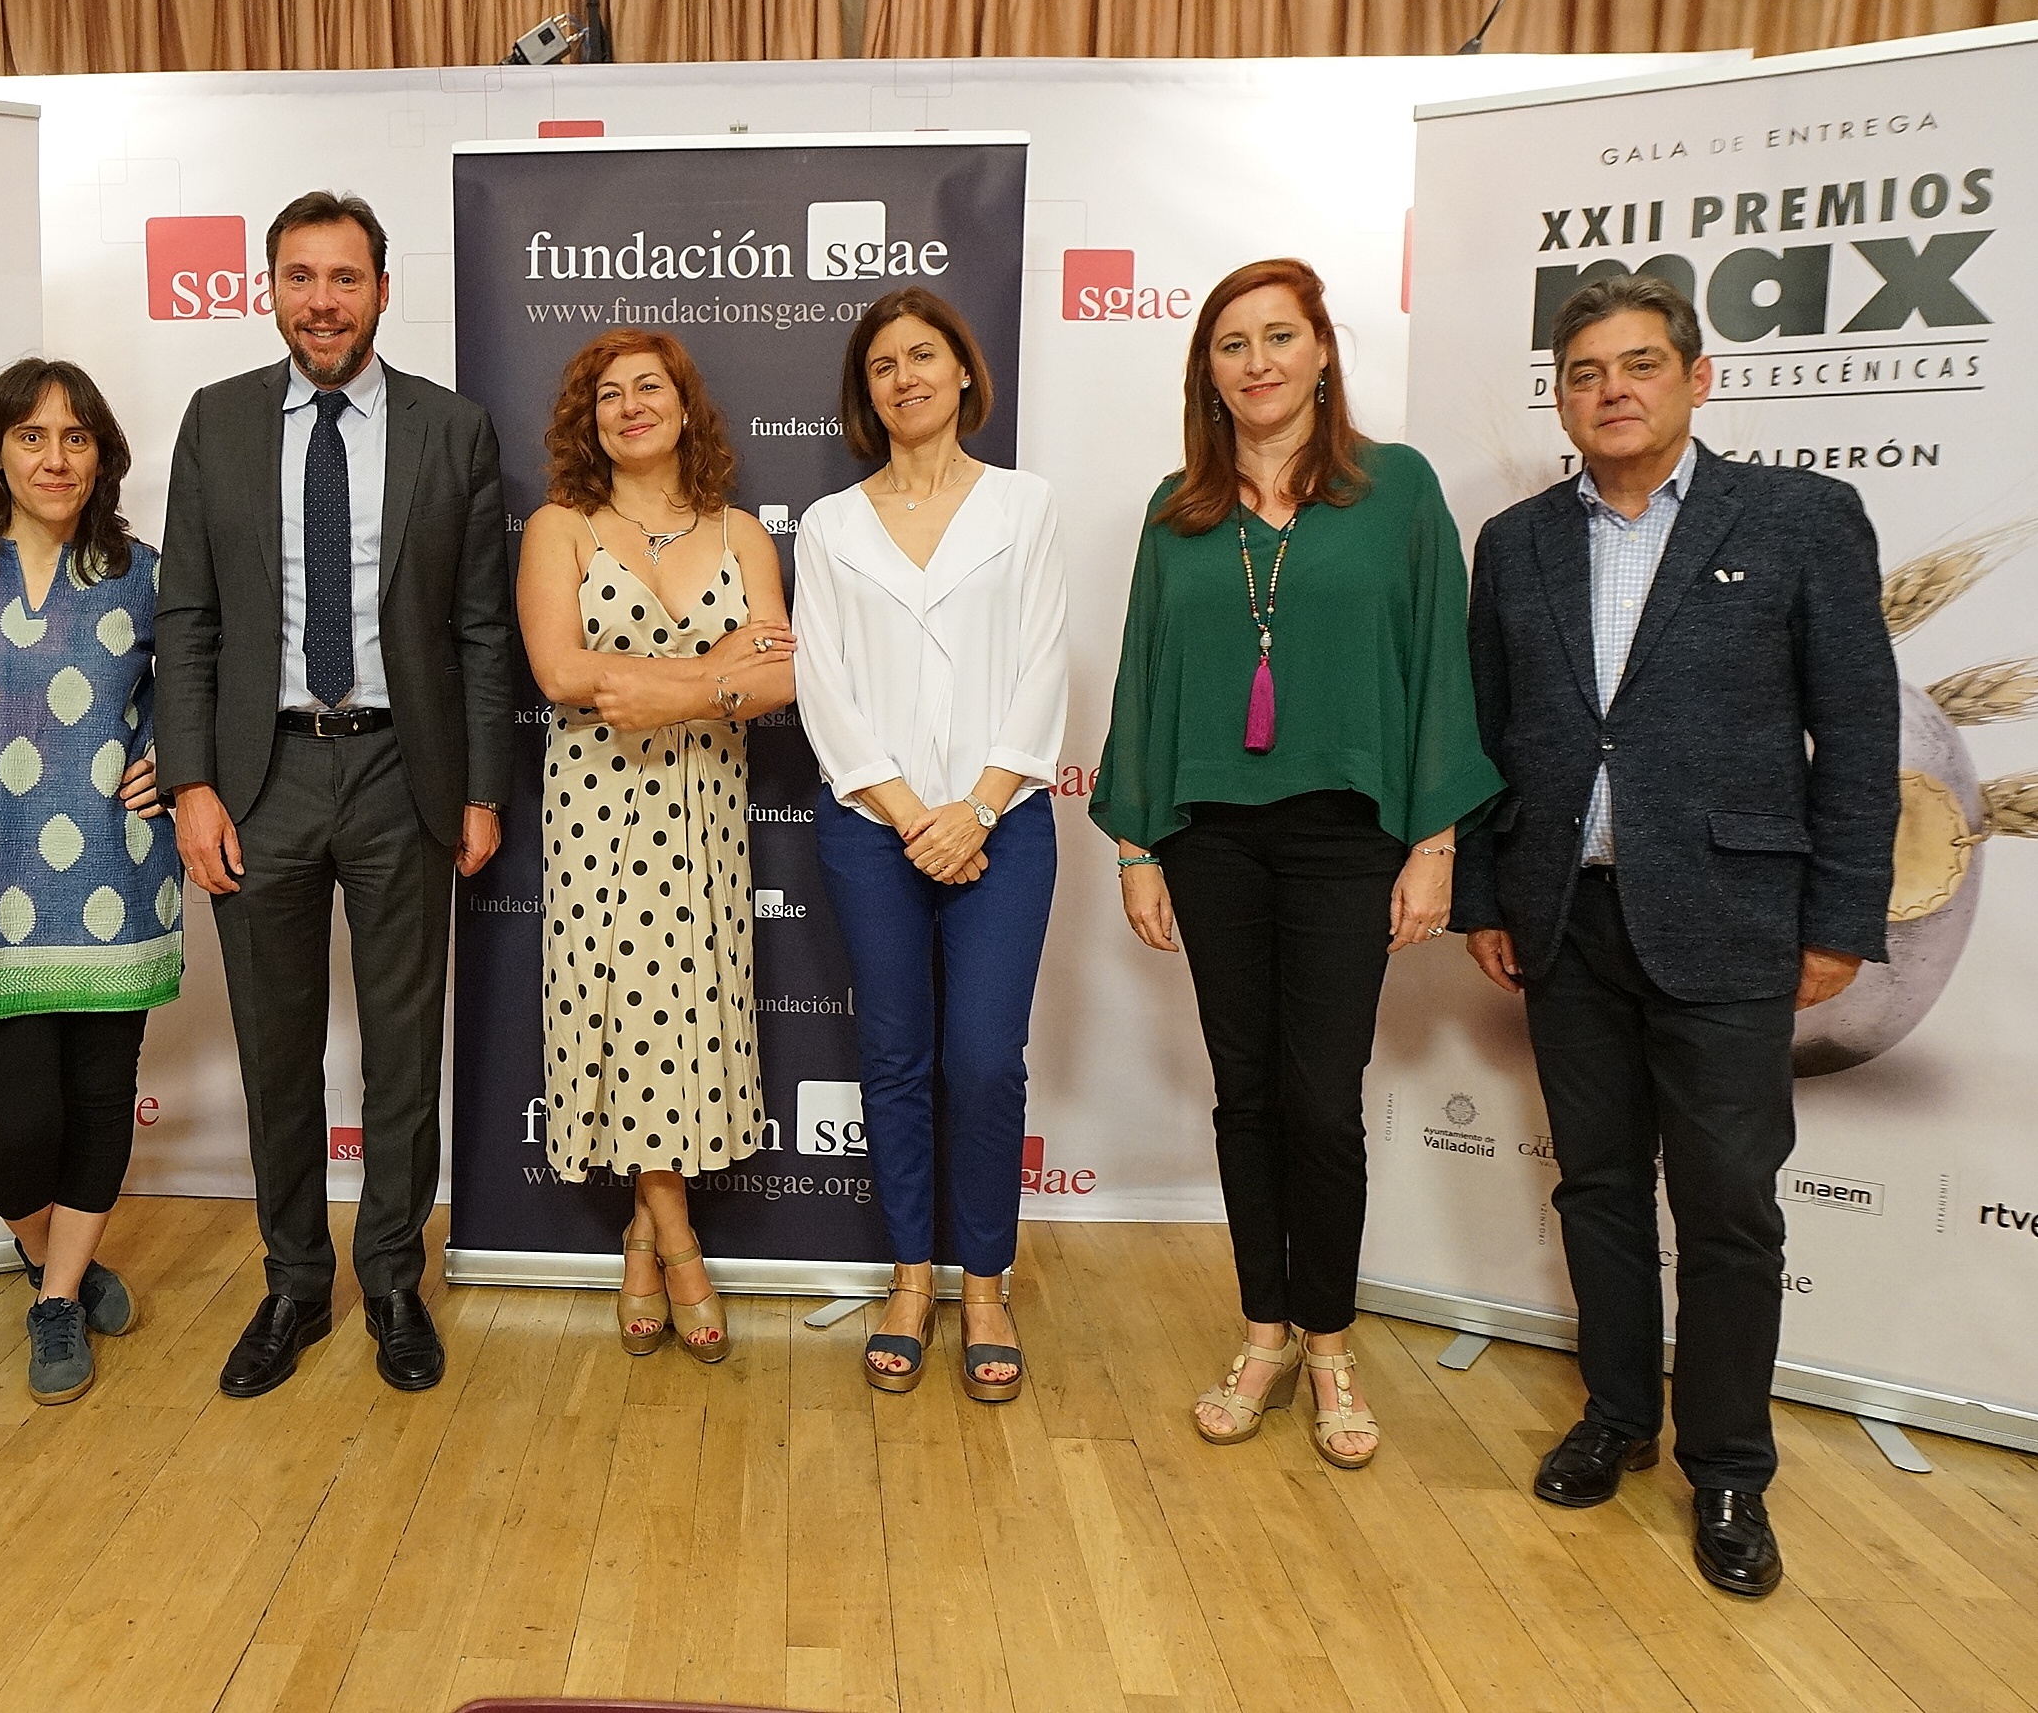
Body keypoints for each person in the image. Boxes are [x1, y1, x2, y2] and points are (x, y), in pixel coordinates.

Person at [1454, 273, 1897, 1593]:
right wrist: (1484, 892)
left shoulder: (1802, 519)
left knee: (1726, 1209)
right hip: (1565, 916)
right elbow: (1486, 735)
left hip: (1733, 918)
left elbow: (1856, 733)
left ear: (1697, 378)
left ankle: (1729, 1469)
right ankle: (1614, 1417)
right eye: (1586, 373)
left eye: (1640, 364)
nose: (1613, 391)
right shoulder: (1516, 542)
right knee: (1595, 1187)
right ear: (1561, 398)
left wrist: (1841, 917)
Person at [1091, 257, 1500, 1468]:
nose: (1257, 361)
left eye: (1279, 336)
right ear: (1206, 374)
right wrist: (1136, 844)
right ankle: (1262, 1332)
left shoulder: (1396, 488)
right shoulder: (1177, 509)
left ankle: (1329, 1343)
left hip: (1346, 837)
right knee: (1246, 1093)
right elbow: (1144, 672)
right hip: (1209, 838)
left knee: (1321, 1101)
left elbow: (1438, 666)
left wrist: (1434, 842)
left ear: (1321, 353)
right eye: (1232, 344)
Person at [157, 191, 514, 1398]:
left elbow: (478, 629)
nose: (322, 301)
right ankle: (295, 1285)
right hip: (257, 778)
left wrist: (479, 788)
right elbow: (187, 617)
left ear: (381, 291)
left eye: (344, 278)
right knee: (276, 1051)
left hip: (402, 773)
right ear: (269, 289)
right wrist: (192, 782)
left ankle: (394, 1282)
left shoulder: (451, 429)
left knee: (403, 1051)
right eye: (300, 277)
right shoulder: (215, 420)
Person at [0, 358, 179, 1405]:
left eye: (76, 437)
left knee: (99, 1103)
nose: (56, 458)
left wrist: (179, 756)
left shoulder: (144, 574)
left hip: (116, 875)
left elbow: (200, 689)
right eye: (33, 436)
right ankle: (57, 1255)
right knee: (15, 1136)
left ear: (102, 457)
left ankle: (53, 1301)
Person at [793, 286, 1066, 1403]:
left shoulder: (1024, 505)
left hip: (1004, 825)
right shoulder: (829, 525)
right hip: (875, 830)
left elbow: (1045, 663)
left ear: (962, 372)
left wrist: (977, 810)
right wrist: (916, 817)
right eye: (881, 366)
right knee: (895, 1057)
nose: (903, 378)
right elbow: (823, 686)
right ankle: (911, 1281)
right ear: (866, 394)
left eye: (921, 356)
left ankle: (985, 1287)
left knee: (984, 1063)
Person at [515, 330, 795, 1363]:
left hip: (705, 810)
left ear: (684, 408)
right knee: (619, 1011)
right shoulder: (561, 528)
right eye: (608, 395)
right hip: (595, 812)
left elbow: (782, 677)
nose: (630, 405)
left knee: (688, 1018)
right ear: (587, 422)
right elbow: (560, 674)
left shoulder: (741, 536)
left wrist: (656, 690)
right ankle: (679, 1244)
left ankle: (641, 1237)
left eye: (649, 387)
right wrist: (716, 673)